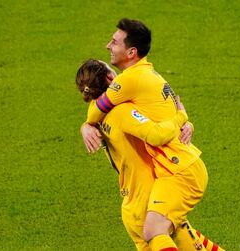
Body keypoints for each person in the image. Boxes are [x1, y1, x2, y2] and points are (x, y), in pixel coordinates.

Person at [80, 18, 223, 251]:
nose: (108, 46)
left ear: (131, 51)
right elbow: (160, 123)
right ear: (109, 79)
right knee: (181, 238)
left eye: (114, 42)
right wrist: (182, 118)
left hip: (165, 178)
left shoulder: (126, 90)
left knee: (156, 231)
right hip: (169, 173)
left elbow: (97, 109)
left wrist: (86, 125)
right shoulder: (142, 85)